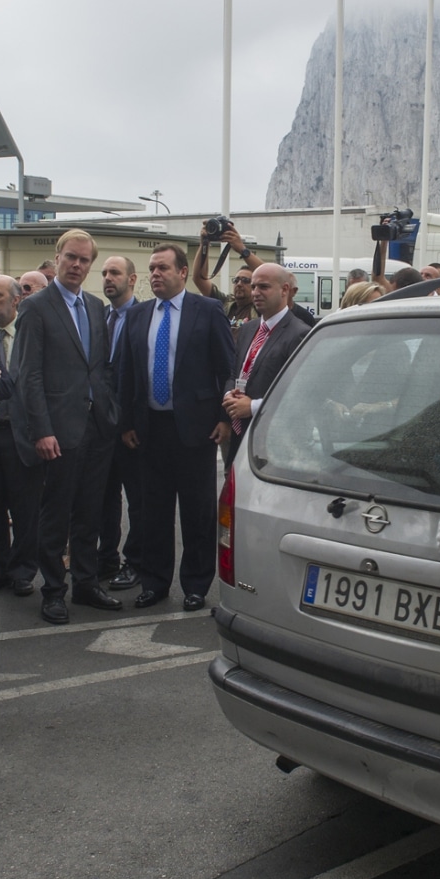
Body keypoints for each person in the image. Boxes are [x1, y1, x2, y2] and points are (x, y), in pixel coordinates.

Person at [116, 245, 234, 610]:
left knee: (197, 512)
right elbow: (126, 373)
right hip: (150, 428)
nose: (155, 274)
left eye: (163, 268)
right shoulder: (138, 315)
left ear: (183, 272)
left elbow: (227, 368)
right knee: (154, 511)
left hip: (196, 429)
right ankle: (155, 582)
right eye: (152, 268)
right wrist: (126, 422)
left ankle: (196, 584)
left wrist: (224, 417)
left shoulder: (207, 310)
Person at [12, 229, 120, 624]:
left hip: (96, 427)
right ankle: (54, 591)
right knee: (56, 515)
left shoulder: (95, 306)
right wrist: (41, 430)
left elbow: (100, 367)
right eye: (70, 257)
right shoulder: (35, 307)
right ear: (57, 258)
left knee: (90, 513)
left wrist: (108, 411)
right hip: (57, 431)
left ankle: (86, 584)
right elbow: (28, 375)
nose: (76, 265)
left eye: (84, 260)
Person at [0, 275, 38, 599]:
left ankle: (23, 570)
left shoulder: (31, 333)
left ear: (16, 300)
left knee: (25, 506)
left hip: (22, 432)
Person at [223, 264, 310, 464]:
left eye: (263, 287)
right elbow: (233, 371)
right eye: (253, 286)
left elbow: (300, 395)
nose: (255, 292)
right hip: (239, 436)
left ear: (285, 290)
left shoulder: (299, 334)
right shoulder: (248, 329)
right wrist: (229, 395)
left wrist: (253, 407)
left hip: (273, 443)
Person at [98, 255, 146, 591]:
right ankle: (106, 558)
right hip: (101, 425)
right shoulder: (99, 316)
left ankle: (137, 562)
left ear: (131, 279)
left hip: (133, 425)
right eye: (104, 273)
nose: (107, 278)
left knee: (139, 499)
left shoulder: (144, 316)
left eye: (114, 272)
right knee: (104, 497)